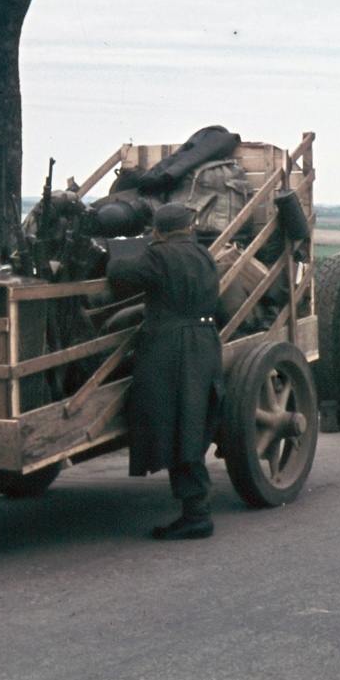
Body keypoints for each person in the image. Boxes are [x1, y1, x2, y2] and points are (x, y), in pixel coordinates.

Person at [106, 203, 222, 540]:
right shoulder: (204, 255)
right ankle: (194, 507)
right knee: (191, 421)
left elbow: (119, 275)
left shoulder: (158, 256)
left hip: (172, 348)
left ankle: (196, 514)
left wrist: (122, 252)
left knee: (173, 424)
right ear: (189, 227)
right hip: (204, 343)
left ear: (158, 231)